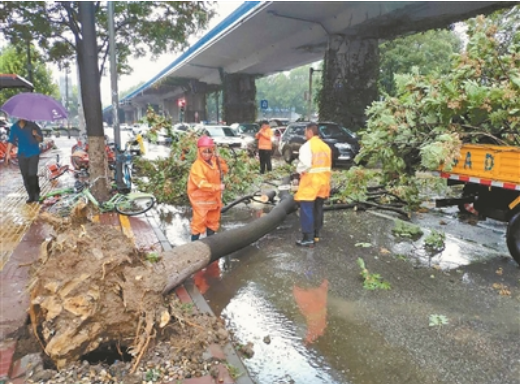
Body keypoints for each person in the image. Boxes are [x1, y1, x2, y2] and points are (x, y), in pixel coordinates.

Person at [294, 122, 332, 247]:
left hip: (311, 183)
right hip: (323, 183)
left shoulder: (307, 146)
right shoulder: (326, 147)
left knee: (306, 210)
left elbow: (305, 164)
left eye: (305, 132)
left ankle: (307, 238)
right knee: (318, 209)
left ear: (310, 132)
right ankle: (316, 234)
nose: (305, 134)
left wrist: (298, 171)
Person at [187, 136, 228, 241]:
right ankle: (194, 244)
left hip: (213, 198)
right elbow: (201, 184)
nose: (207, 154)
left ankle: (210, 243)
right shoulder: (197, 166)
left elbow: (224, 170)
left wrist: (220, 159)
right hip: (200, 200)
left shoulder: (214, 162)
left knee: (213, 221)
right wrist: (218, 187)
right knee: (199, 222)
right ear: (199, 152)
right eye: (204, 152)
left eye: (209, 152)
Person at [5, 119, 43, 203]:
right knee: (25, 176)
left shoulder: (34, 126)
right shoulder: (14, 127)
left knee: (32, 174)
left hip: (33, 153)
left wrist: (36, 134)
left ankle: (36, 193)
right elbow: (11, 141)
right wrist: (7, 153)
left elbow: (41, 140)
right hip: (22, 154)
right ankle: (30, 195)